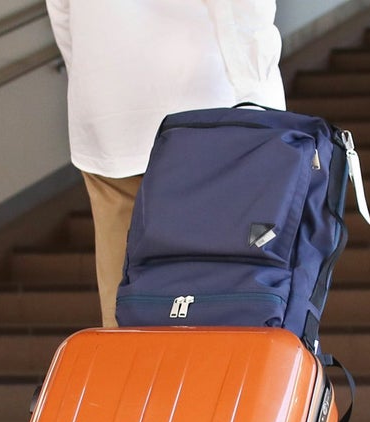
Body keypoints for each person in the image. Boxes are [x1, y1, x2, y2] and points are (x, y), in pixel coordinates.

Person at [45, 0, 286, 327]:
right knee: (221, 288)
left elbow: (60, 10)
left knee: (121, 293)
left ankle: (129, 362)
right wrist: (262, 103)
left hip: (107, 111)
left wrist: (88, 78)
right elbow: (244, 10)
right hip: (206, 107)